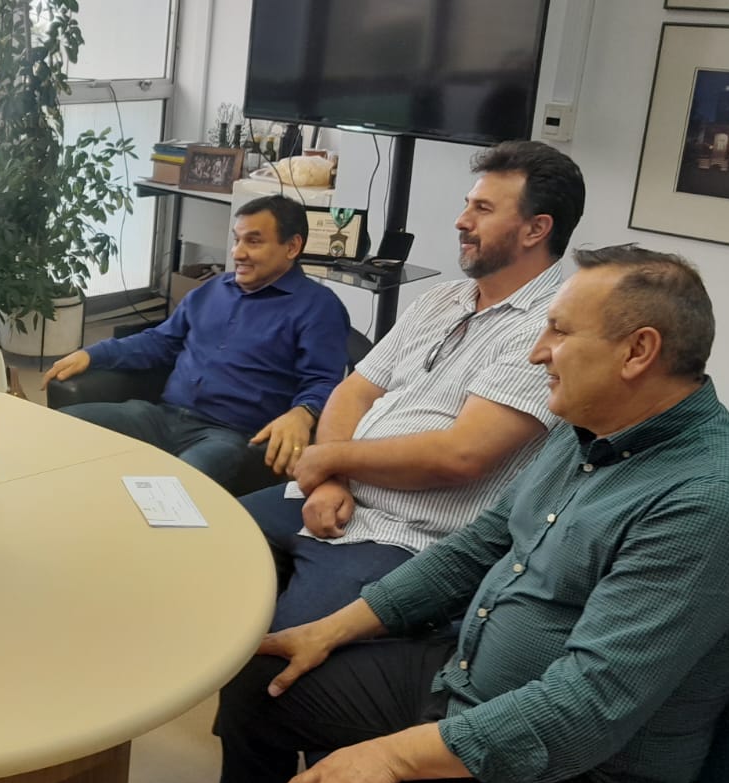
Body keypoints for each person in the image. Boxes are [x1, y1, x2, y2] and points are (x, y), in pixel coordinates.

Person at [120, 245, 729, 783]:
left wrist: (388, 757)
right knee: (261, 687)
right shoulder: (596, 425)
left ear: (638, 351)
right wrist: (327, 630)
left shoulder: (712, 507)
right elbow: (479, 547)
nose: (538, 352)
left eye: (559, 331)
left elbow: (581, 711)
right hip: (470, 683)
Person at [245, 139, 585, 630]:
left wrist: (329, 459)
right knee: (187, 552)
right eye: (467, 204)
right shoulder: (441, 299)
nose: (461, 221)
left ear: (536, 229)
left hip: (405, 539)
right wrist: (331, 478)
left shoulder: (551, 329)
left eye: (483, 209)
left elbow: (461, 456)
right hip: (326, 497)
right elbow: (355, 391)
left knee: (275, 650)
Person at [42, 196, 349, 492]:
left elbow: (325, 381)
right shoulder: (213, 290)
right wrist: (92, 354)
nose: (238, 253)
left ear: (292, 246)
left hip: (229, 435)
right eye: (237, 240)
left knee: (172, 489)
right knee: (60, 429)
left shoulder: (318, 307)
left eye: (253, 242)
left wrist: (303, 413)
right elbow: (159, 342)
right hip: (161, 417)